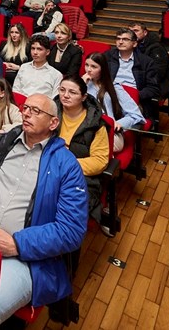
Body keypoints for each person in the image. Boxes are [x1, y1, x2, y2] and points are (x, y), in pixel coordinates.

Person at [0, 93, 88, 327]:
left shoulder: (67, 165)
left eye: (36, 111)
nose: (27, 113)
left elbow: (71, 230)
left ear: (53, 123)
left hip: (25, 258)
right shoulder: (2, 143)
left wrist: (17, 244)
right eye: (25, 108)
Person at [54, 75, 109, 225]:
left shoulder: (95, 123)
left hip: (80, 176)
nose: (65, 95)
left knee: (65, 211)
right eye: (62, 90)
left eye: (72, 92)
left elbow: (100, 161)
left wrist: (67, 165)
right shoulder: (51, 112)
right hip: (49, 168)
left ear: (84, 97)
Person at [82, 53, 144, 153]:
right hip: (84, 129)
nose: (88, 69)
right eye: (86, 65)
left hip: (108, 132)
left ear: (102, 69)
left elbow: (136, 115)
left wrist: (120, 123)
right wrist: (81, 86)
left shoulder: (114, 87)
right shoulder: (82, 84)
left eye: (94, 66)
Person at [11, 34, 63, 99]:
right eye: (33, 48)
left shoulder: (56, 75)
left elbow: (54, 99)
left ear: (47, 52)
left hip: (42, 104)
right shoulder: (24, 67)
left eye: (39, 49)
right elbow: (15, 90)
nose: (35, 52)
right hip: (22, 103)